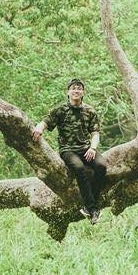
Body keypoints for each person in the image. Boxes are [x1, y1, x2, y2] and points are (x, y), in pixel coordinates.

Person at [32, 78, 106, 224]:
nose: (76, 90)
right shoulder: (61, 110)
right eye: (73, 88)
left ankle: (89, 206)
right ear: (68, 92)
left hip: (86, 149)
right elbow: (46, 121)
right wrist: (39, 128)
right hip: (68, 150)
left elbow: (96, 133)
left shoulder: (89, 110)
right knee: (79, 169)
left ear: (83, 92)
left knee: (101, 166)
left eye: (79, 88)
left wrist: (92, 148)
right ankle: (93, 208)